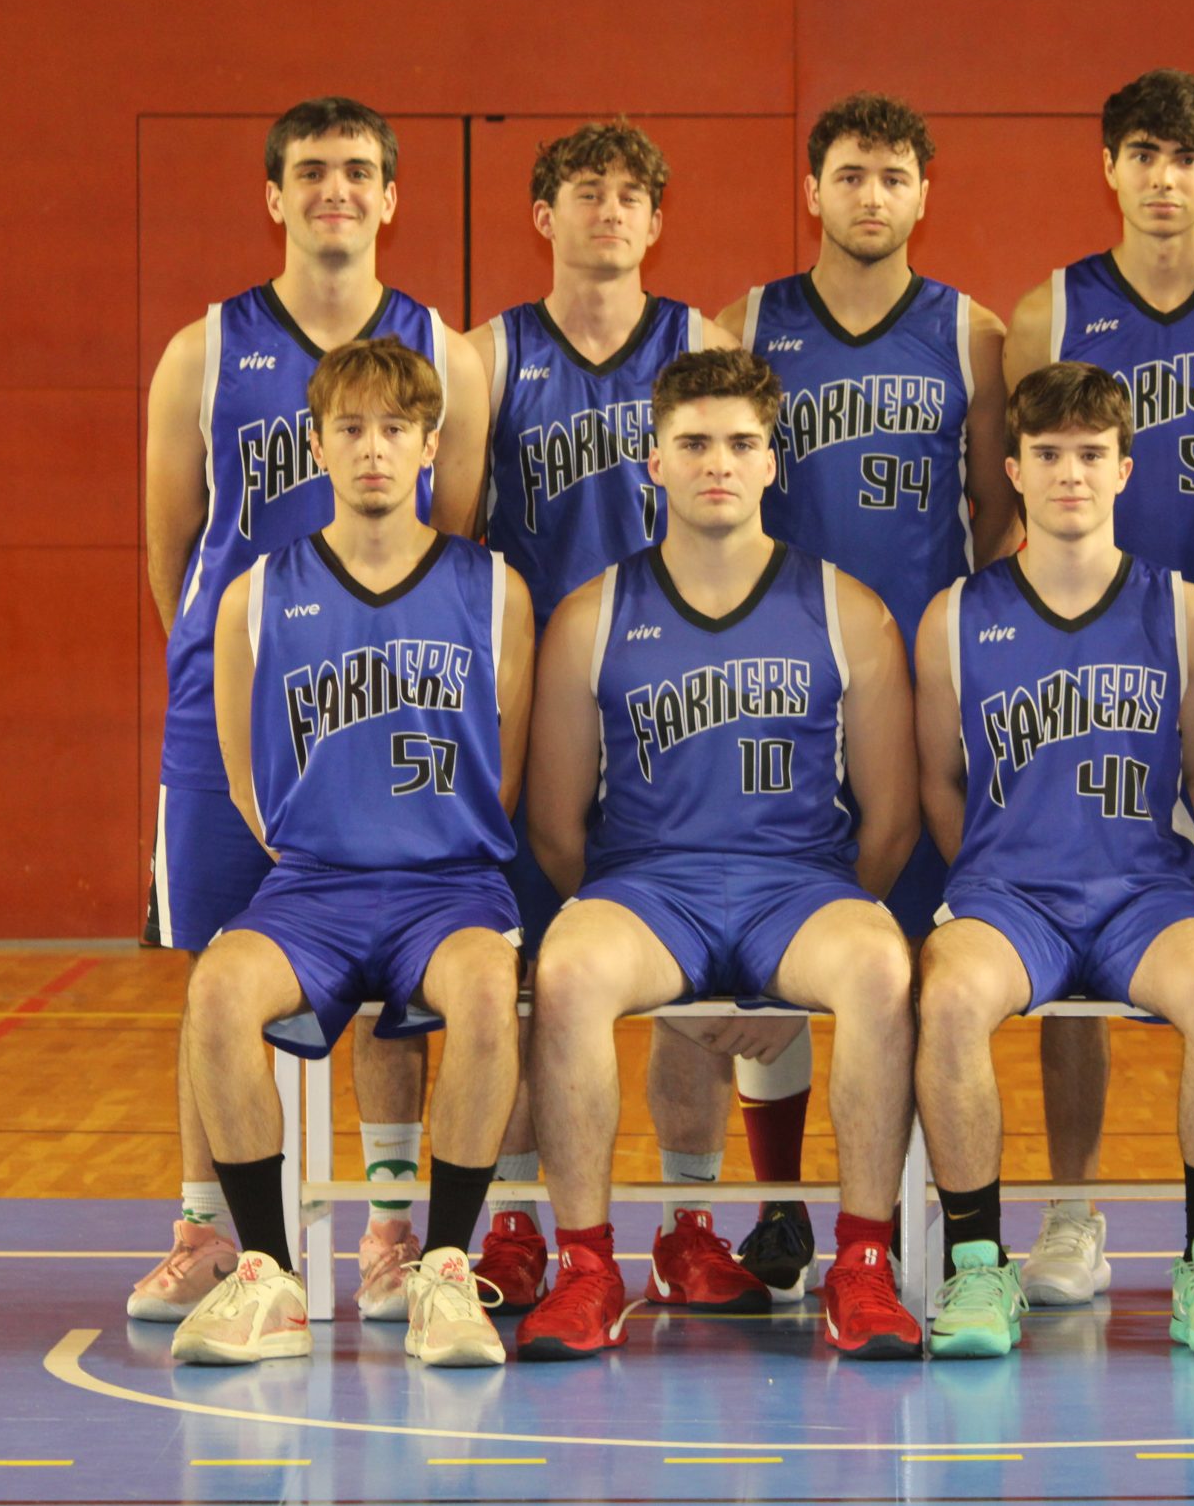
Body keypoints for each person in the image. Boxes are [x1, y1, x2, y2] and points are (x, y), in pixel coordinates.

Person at [136, 97, 487, 1327]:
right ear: (274, 196)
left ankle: (390, 1231)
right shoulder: (203, 352)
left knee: (396, 952)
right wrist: (237, 655)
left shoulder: (446, 354)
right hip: (231, 698)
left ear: (391, 196)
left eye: (357, 169)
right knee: (216, 966)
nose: (334, 188)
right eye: (310, 170)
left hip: (384, 699)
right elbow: (174, 545)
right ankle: (207, 1233)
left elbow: (457, 534)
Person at [511, 348, 925, 1363]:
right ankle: (587, 1267)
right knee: (567, 969)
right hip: (651, 889)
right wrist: (655, 954)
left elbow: (891, 820)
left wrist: (800, 965)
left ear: (773, 461)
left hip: (799, 887)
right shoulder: (592, 616)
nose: (718, 464)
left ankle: (864, 1264)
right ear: (653, 461)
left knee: (879, 966)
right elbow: (556, 826)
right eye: (693, 443)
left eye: (741, 443)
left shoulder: (849, 610)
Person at [674, 92, 1014, 1302]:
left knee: (906, 951)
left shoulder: (972, 333)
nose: (872, 197)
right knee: (773, 937)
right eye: (852, 175)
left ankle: (913, 1215)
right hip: (772, 676)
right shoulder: (749, 321)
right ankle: (778, 1210)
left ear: (925, 194)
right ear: (811, 191)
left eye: (894, 176)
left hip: (915, 675)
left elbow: (997, 511)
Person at [1001, 67, 1194, 1307]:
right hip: (1088, 677)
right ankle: (1071, 1208)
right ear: (1109, 168)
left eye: (1187, 157)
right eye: (1143, 153)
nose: (1164, 178)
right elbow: (1006, 507)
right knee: (1070, 950)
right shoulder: (1050, 311)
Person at [168, 338, 531, 1369]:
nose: (374, 448)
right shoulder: (254, 594)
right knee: (216, 987)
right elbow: (245, 779)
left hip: (449, 887)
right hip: (312, 889)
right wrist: (319, 844)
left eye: (395, 428)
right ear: (317, 446)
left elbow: (506, 769)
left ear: (430, 445)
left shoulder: (493, 590)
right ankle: (269, 1275)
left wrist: (430, 840)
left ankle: (444, 1268)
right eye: (352, 428)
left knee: (487, 986)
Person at [912, 363, 1194, 1360]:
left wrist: (1138, 859)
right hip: (1009, 895)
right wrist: (997, 866)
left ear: (1123, 470)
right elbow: (940, 781)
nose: (1071, 473)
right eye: (1049, 454)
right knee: (948, 997)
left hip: (1144, 892)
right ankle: (979, 1268)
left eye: (1091, 454)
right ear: (1013, 471)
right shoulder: (954, 616)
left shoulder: (1187, 613)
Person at [464, 118, 745, 1313]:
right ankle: (518, 1226)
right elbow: (455, 542)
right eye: (587, 191)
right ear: (545, 216)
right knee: (531, 975)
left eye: (632, 195)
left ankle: (688, 1221)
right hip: (540, 695)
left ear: (657, 220)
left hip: (677, 695)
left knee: (694, 975)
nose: (611, 211)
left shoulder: (702, 342)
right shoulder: (490, 355)